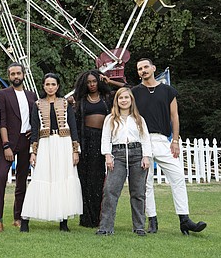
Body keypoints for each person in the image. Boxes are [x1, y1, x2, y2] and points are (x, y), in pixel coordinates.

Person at [131, 58, 207, 235]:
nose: (143, 70)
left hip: (163, 140)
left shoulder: (168, 91)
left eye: (145, 67)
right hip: (143, 141)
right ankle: (152, 221)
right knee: (146, 183)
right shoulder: (134, 93)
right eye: (139, 69)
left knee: (178, 176)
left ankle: (184, 220)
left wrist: (175, 141)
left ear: (153, 68)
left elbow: (175, 117)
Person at [20, 73, 82, 232]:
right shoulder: (37, 104)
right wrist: (33, 152)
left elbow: (73, 127)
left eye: (53, 84)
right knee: (41, 177)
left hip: (64, 143)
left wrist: (75, 151)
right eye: (47, 84)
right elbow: (34, 131)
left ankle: (63, 221)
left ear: (58, 86)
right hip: (45, 143)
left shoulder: (65, 104)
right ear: (43, 86)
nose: (50, 87)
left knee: (64, 178)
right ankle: (25, 219)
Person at [96, 87, 151, 236]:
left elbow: (145, 138)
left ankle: (139, 227)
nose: (124, 100)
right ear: (117, 101)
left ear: (131, 100)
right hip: (117, 155)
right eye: (121, 98)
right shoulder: (111, 119)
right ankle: (106, 227)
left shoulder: (139, 119)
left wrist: (146, 156)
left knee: (138, 192)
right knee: (110, 191)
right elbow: (105, 138)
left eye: (126, 97)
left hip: (137, 154)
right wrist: (107, 155)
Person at [0, 63, 37, 232]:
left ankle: (18, 217)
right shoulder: (2, 94)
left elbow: (35, 119)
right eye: (12, 74)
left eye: (18, 73)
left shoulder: (31, 96)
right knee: (1, 179)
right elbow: (1, 121)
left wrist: (33, 132)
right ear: (9, 76)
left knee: (21, 181)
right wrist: (6, 145)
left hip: (25, 141)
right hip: (8, 142)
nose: (16, 76)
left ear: (24, 74)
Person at [71, 69, 113, 228]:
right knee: (85, 179)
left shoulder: (107, 98)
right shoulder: (79, 100)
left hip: (102, 140)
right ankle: (86, 218)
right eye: (88, 82)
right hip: (85, 139)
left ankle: (97, 217)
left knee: (98, 179)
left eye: (94, 81)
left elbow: (129, 88)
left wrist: (110, 81)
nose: (92, 85)